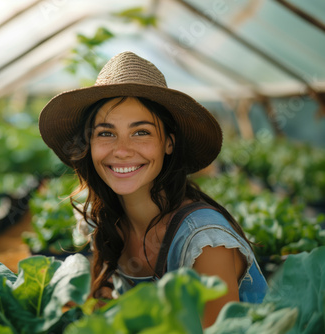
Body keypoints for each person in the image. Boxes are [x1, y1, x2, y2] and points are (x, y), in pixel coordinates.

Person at [38, 51, 267, 327]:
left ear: (168, 143)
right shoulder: (106, 220)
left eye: (141, 132)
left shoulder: (204, 243)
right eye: (106, 133)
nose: (121, 150)